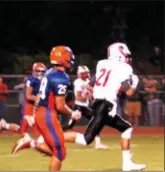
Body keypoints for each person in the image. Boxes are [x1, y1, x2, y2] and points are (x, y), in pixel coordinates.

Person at [63, 42, 146, 171]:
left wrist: (96, 92)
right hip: (105, 105)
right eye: (125, 54)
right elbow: (129, 92)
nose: (127, 58)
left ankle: (127, 164)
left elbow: (91, 84)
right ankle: (51, 136)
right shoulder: (123, 67)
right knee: (85, 139)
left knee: (127, 128)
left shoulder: (102, 63)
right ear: (119, 54)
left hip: (100, 103)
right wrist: (134, 83)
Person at [12, 46, 81, 171]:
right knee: (59, 153)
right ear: (63, 58)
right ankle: (30, 143)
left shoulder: (49, 72)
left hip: (42, 113)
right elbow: (60, 105)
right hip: (48, 115)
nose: (71, 60)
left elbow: (39, 97)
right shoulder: (61, 77)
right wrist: (72, 114)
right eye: (69, 57)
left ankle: (31, 143)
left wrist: (34, 113)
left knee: (59, 153)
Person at [62, 65, 108, 149]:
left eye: (87, 73)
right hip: (79, 106)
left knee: (95, 121)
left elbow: (91, 93)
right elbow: (79, 97)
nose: (87, 74)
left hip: (85, 106)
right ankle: (51, 136)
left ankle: (98, 143)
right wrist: (89, 96)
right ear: (80, 74)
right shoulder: (78, 82)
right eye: (85, 73)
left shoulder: (88, 81)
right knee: (70, 125)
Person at [0, 63, 46, 134]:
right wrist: (38, 98)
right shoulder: (31, 80)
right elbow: (28, 96)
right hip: (30, 105)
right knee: (22, 130)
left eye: (42, 71)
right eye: (38, 71)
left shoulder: (45, 80)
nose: (40, 73)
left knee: (39, 126)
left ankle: (40, 142)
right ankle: (5, 125)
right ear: (34, 71)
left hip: (39, 105)